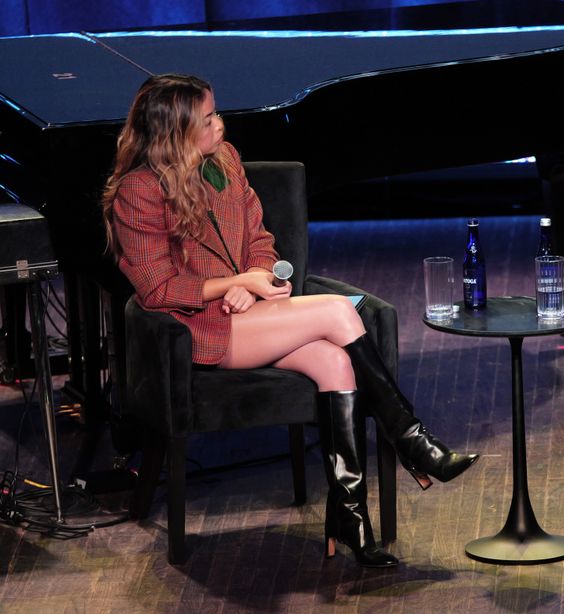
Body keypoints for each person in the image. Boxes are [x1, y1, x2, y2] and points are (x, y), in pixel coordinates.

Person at [102, 73, 478, 568]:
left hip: (253, 314)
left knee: (333, 364)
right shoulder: (140, 192)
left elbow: (260, 237)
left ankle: (350, 517)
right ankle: (413, 442)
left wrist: (254, 275)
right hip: (198, 329)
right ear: (178, 132)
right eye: (209, 118)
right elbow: (158, 287)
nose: (221, 123)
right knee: (340, 312)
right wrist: (231, 285)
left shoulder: (226, 160)